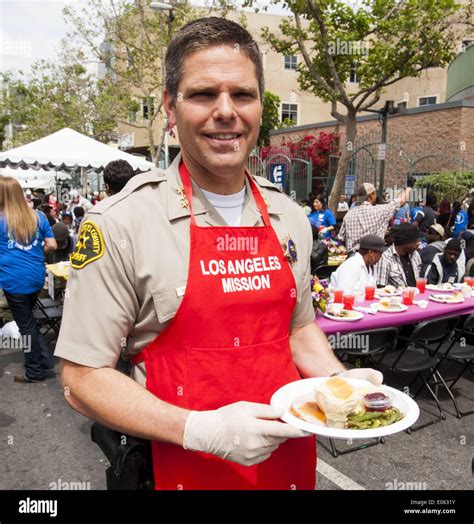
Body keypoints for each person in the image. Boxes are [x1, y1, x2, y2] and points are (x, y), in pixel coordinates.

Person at [55, 17, 382, 491]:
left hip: (286, 465)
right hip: (178, 468)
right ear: (171, 106)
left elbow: (298, 329)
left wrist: (342, 386)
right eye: (204, 94)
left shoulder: (289, 216)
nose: (226, 112)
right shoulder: (118, 223)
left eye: (243, 95)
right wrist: (200, 431)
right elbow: (82, 378)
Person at [0, 177, 57, 382]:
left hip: (14, 280)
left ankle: (34, 371)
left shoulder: (1, 219)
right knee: (29, 322)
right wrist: (33, 250)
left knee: (26, 325)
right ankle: (43, 362)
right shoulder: (39, 216)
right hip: (35, 277)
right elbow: (52, 244)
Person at [338, 182, 411, 254]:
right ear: (371, 195)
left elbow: (341, 238)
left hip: (352, 258)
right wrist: (408, 189)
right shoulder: (380, 211)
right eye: (375, 193)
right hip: (373, 257)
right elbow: (402, 201)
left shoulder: (348, 214)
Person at [376, 223, 421, 288]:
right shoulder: (385, 258)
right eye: (415, 241)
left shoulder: (415, 255)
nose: (418, 243)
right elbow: (381, 288)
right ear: (405, 241)